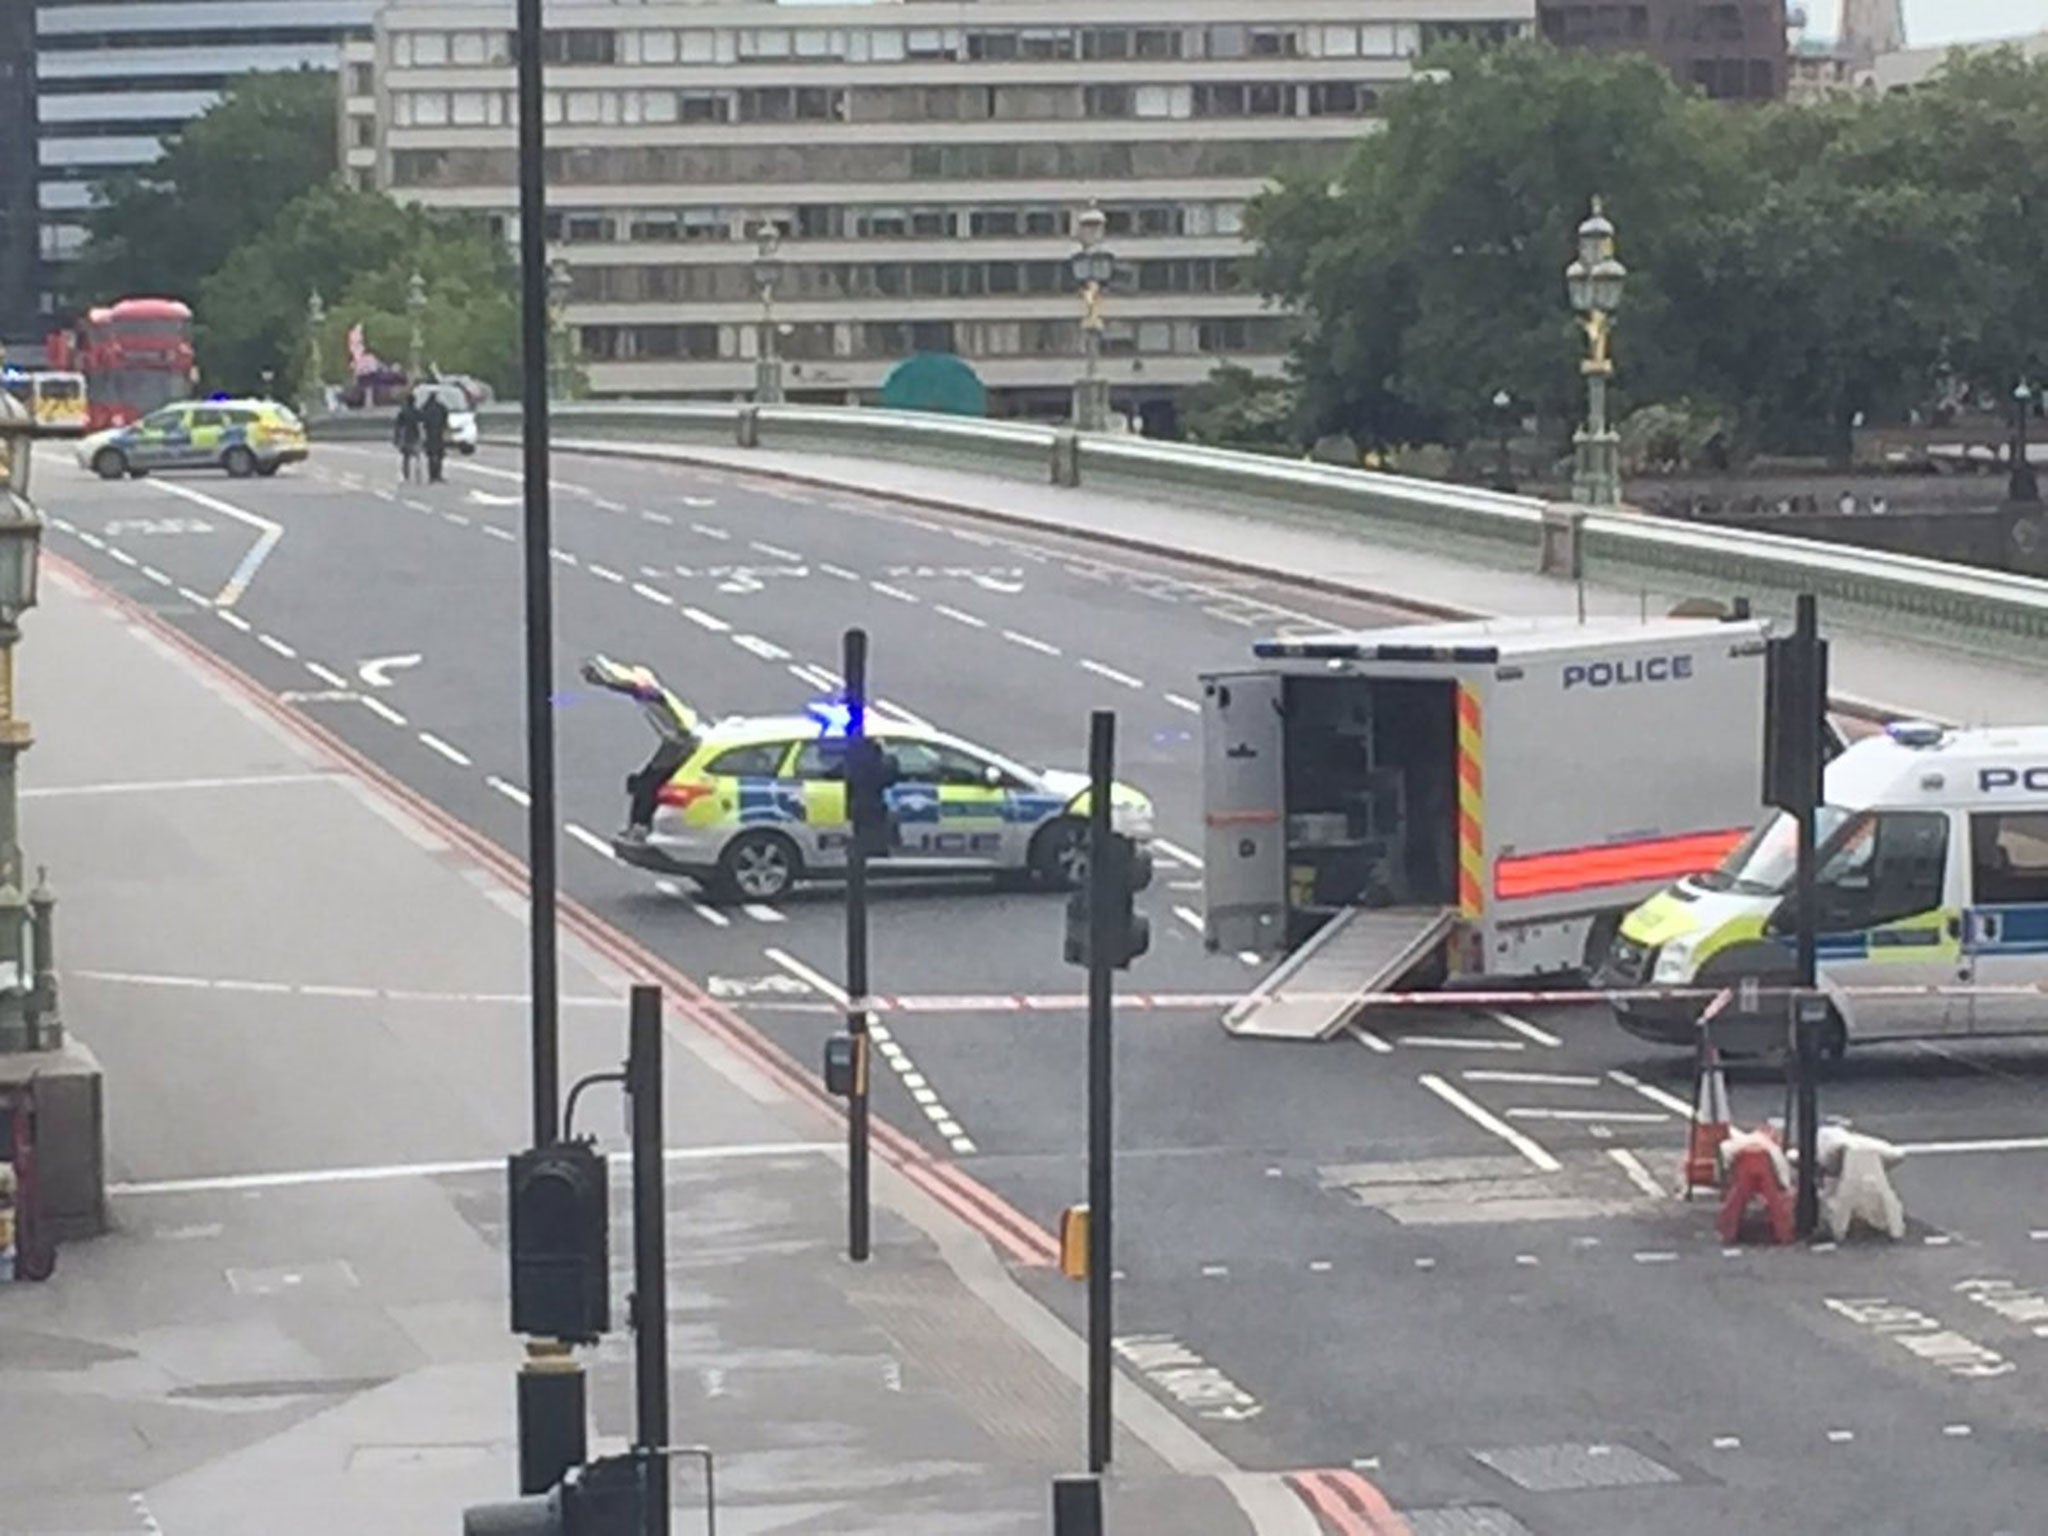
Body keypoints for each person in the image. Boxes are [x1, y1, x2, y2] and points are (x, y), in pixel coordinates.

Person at [420, 387, 450, 484]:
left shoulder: (425, 407)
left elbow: (422, 420)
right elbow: (446, 416)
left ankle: (432, 476)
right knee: (439, 455)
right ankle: (438, 475)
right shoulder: (440, 407)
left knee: (431, 456)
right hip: (438, 434)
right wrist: (444, 426)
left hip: (430, 435)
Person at [393, 391, 423, 483]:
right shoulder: (417, 411)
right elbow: (421, 422)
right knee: (417, 456)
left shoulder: (403, 412)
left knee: (406, 458)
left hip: (406, 437)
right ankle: (418, 474)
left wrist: (397, 438)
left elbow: (398, 426)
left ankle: (406, 475)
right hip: (415, 436)